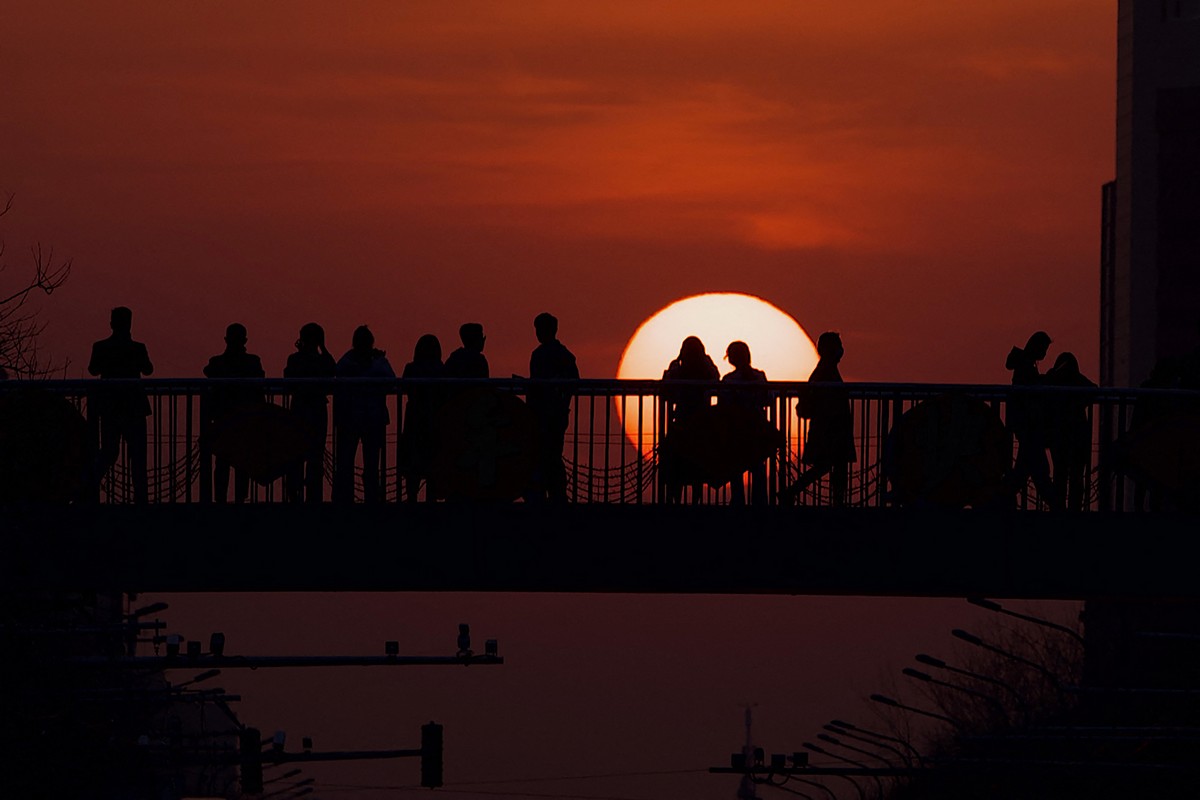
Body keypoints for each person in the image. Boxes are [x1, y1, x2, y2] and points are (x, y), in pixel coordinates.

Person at [88, 306, 154, 503]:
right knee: (138, 454)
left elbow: (93, 369)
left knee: (108, 450)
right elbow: (148, 370)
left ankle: (89, 488)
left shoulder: (100, 347)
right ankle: (140, 498)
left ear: (111, 324)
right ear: (130, 324)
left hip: (110, 406)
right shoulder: (137, 348)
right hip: (134, 407)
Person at [781, 331, 855, 505]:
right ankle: (792, 493)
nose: (841, 351)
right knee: (832, 465)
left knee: (830, 466)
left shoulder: (823, 370)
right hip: (830, 427)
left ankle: (791, 493)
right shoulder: (825, 371)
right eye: (838, 346)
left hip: (830, 427)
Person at [203, 323, 265, 503]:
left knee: (223, 461)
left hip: (224, 417)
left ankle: (220, 499)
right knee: (241, 461)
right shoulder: (252, 362)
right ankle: (239, 499)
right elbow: (259, 380)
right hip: (244, 417)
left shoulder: (217, 363)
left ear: (226, 340)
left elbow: (208, 371)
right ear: (245, 340)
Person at [334, 325, 395, 503]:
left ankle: (368, 498)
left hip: (367, 418)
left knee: (369, 462)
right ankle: (350, 499)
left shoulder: (355, 362)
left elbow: (390, 379)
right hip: (356, 418)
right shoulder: (348, 362)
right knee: (349, 461)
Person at [660, 336, 720, 503]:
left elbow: (666, 390)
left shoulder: (678, 370)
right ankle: (696, 499)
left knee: (676, 461)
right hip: (702, 423)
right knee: (697, 464)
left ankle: (673, 498)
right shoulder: (706, 370)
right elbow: (717, 380)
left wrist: (672, 367)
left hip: (681, 422)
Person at [1004, 330, 1059, 509]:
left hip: (1026, 427)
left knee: (1025, 472)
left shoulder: (1025, 364)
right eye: (1043, 349)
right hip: (1029, 427)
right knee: (1038, 472)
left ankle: (1001, 502)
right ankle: (1059, 509)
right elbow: (1029, 394)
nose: (1044, 354)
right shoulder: (1026, 366)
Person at [528, 312, 579, 503]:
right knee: (552, 453)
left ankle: (548, 492)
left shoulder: (542, 355)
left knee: (547, 453)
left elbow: (572, 381)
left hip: (547, 413)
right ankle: (555, 494)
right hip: (555, 412)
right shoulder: (563, 354)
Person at [284, 322, 336, 503]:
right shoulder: (321, 360)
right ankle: (314, 496)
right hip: (316, 410)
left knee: (297, 453)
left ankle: (294, 493)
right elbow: (333, 371)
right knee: (315, 454)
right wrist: (324, 348)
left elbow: (288, 379)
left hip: (299, 408)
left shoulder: (294, 359)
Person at [1043, 352, 1096, 512]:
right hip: (1076, 435)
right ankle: (1074, 509)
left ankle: (1059, 508)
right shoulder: (1077, 382)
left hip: (1059, 435)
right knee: (1075, 476)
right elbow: (1093, 389)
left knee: (1061, 473)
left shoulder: (1054, 381)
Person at [720, 341, 769, 506]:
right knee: (758, 467)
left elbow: (723, 404)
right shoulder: (759, 377)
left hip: (736, 429)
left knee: (736, 467)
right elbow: (768, 399)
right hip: (757, 428)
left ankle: (738, 502)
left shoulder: (728, 380)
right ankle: (760, 502)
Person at [401, 334, 444, 502]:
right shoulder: (441, 369)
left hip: (414, 418)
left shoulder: (411, 368)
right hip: (434, 418)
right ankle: (431, 501)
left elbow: (404, 386)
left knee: (413, 462)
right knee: (432, 461)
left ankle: (411, 498)